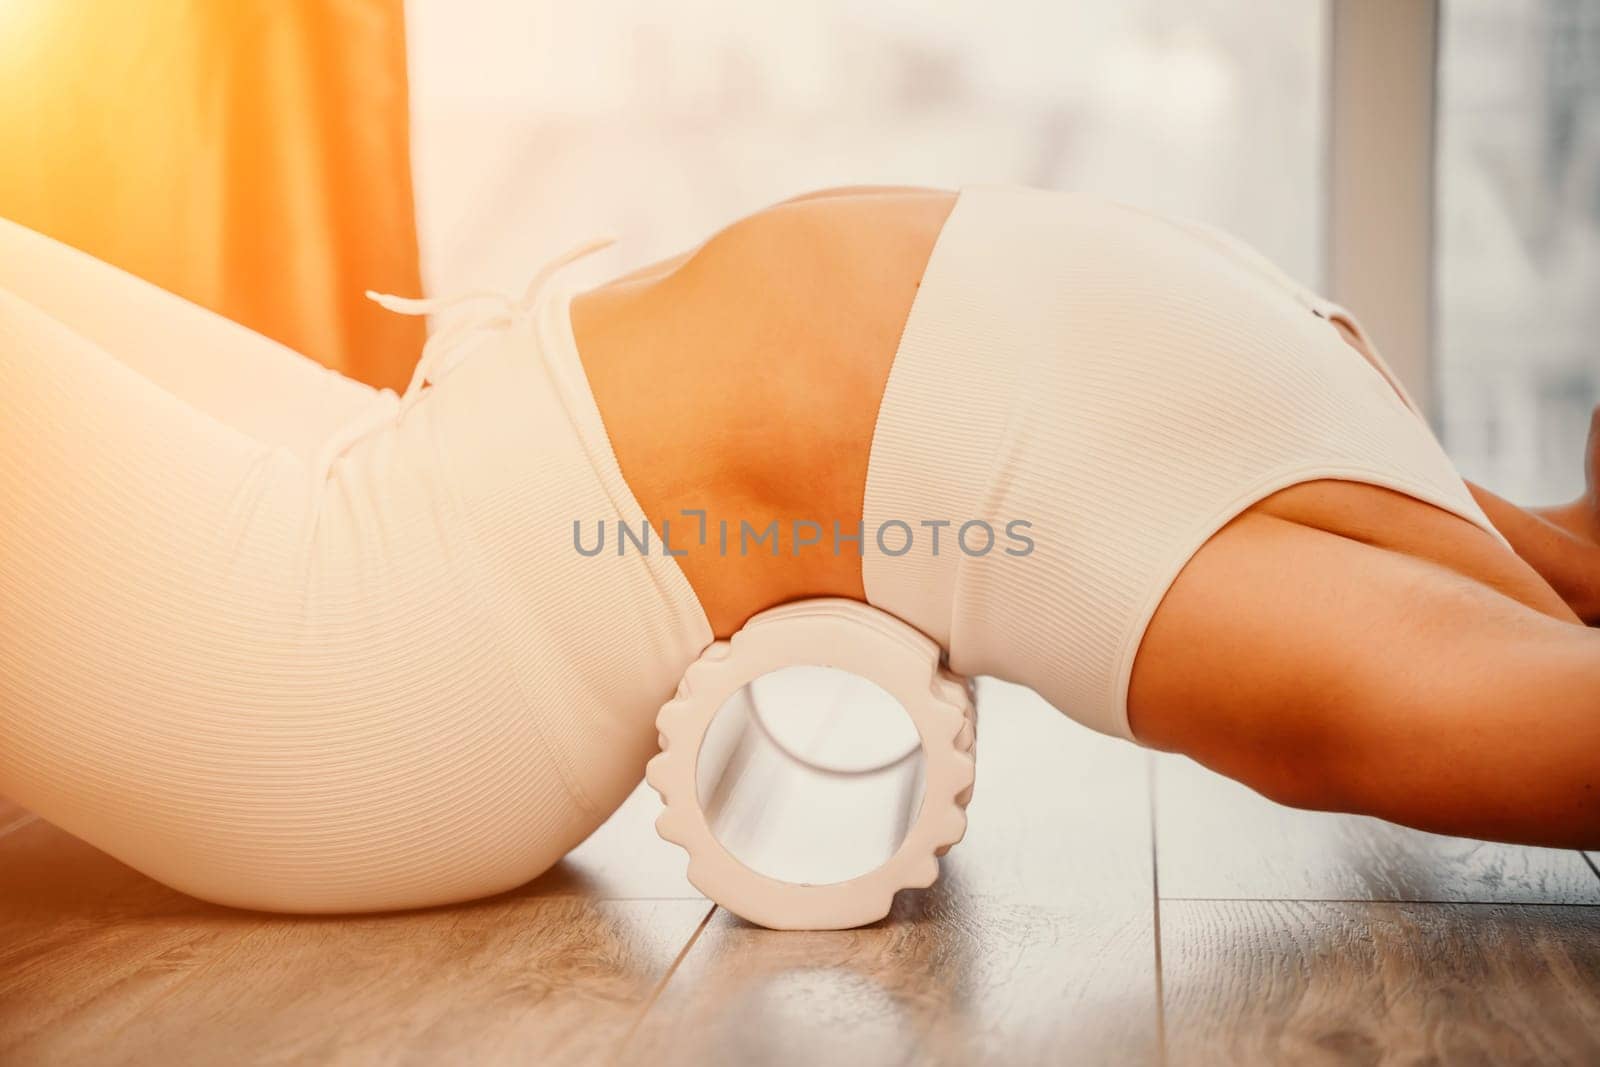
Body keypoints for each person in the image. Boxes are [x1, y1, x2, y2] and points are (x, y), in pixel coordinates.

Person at [1, 185, 1595, 914]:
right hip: (391, 471)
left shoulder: (1406, 630)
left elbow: (1388, 723)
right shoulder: (1462, 515)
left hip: (373, 643)